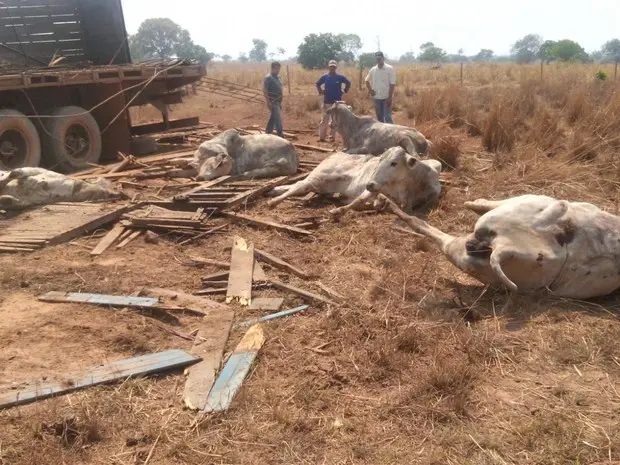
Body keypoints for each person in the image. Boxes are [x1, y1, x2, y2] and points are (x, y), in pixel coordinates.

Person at [315, 59, 351, 142]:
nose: (332, 68)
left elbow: (348, 83)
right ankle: (322, 137)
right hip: (327, 101)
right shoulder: (325, 77)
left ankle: (332, 137)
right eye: (331, 67)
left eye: (334, 67)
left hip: (337, 103)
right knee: (325, 119)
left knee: (334, 120)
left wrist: (344, 91)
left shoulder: (340, 77)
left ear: (336, 67)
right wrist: (320, 91)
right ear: (328, 67)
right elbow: (317, 83)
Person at [365, 51, 396, 123]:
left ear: (383, 58)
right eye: (377, 59)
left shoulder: (389, 68)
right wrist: (370, 90)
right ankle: (382, 134)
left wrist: (390, 97)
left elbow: (392, 83)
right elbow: (366, 80)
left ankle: (390, 133)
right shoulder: (373, 69)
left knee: (387, 117)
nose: (378, 60)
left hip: (386, 97)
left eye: (380, 58)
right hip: (377, 98)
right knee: (379, 118)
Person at [263, 61, 284, 137]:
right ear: (272, 68)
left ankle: (268, 132)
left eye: (279, 68)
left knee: (273, 117)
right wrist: (268, 102)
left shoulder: (278, 77)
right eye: (276, 68)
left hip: (278, 101)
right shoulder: (268, 78)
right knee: (278, 118)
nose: (278, 70)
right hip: (272, 101)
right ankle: (280, 134)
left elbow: (280, 88)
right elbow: (265, 90)